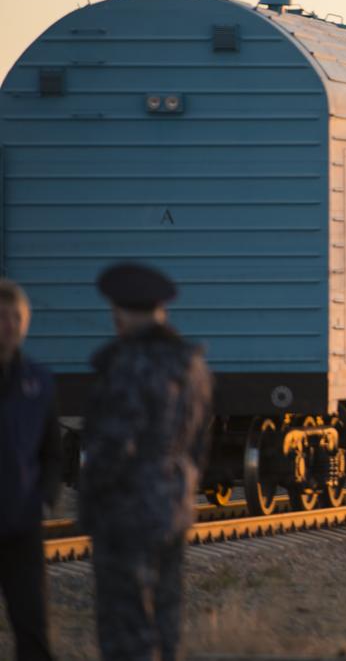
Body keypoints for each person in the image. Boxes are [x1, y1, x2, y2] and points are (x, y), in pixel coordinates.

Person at [79, 263, 213, 661]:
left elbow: (114, 446)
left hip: (126, 512)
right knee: (166, 624)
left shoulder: (128, 366)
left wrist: (91, 502)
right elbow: (200, 438)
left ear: (120, 312)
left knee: (126, 628)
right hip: (172, 507)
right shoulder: (191, 365)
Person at [0, 279, 60, 661]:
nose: (7, 325)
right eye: (0, 317)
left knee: (32, 627)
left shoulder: (39, 382)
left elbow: (51, 450)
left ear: (25, 324)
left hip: (21, 523)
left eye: (14, 318)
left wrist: (47, 497)